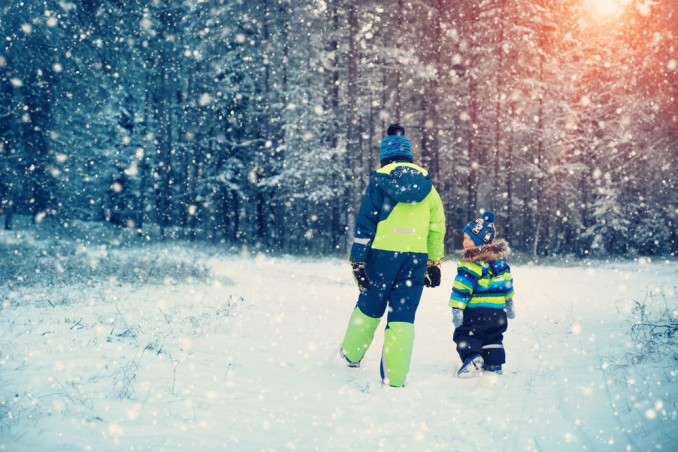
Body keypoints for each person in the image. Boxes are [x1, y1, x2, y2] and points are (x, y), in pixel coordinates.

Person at [339, 123, 446, 387]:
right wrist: (433, 262)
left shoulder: (379, 182)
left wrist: (358, 260)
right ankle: (395, 377)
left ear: (384, 156)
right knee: (403, 315)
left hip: (381, 257)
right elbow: (437, 226)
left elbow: (366, 223)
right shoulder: (427, 187)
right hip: (415, 259)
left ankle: (351, 355)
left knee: (370, 305)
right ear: (409, 156)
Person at [449, 210, 515, 378]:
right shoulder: (500, 263)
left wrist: (457, 309)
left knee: (466, 334)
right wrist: (509, 303)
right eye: (464, 238)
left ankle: (472, 358)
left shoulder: (471, 264)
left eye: (470, 239)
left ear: (481, 241)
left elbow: (461, 288)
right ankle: (494, 363)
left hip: (476, 312)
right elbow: (506, 283)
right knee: (493, 337)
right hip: (497, 313)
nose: (465, 242)